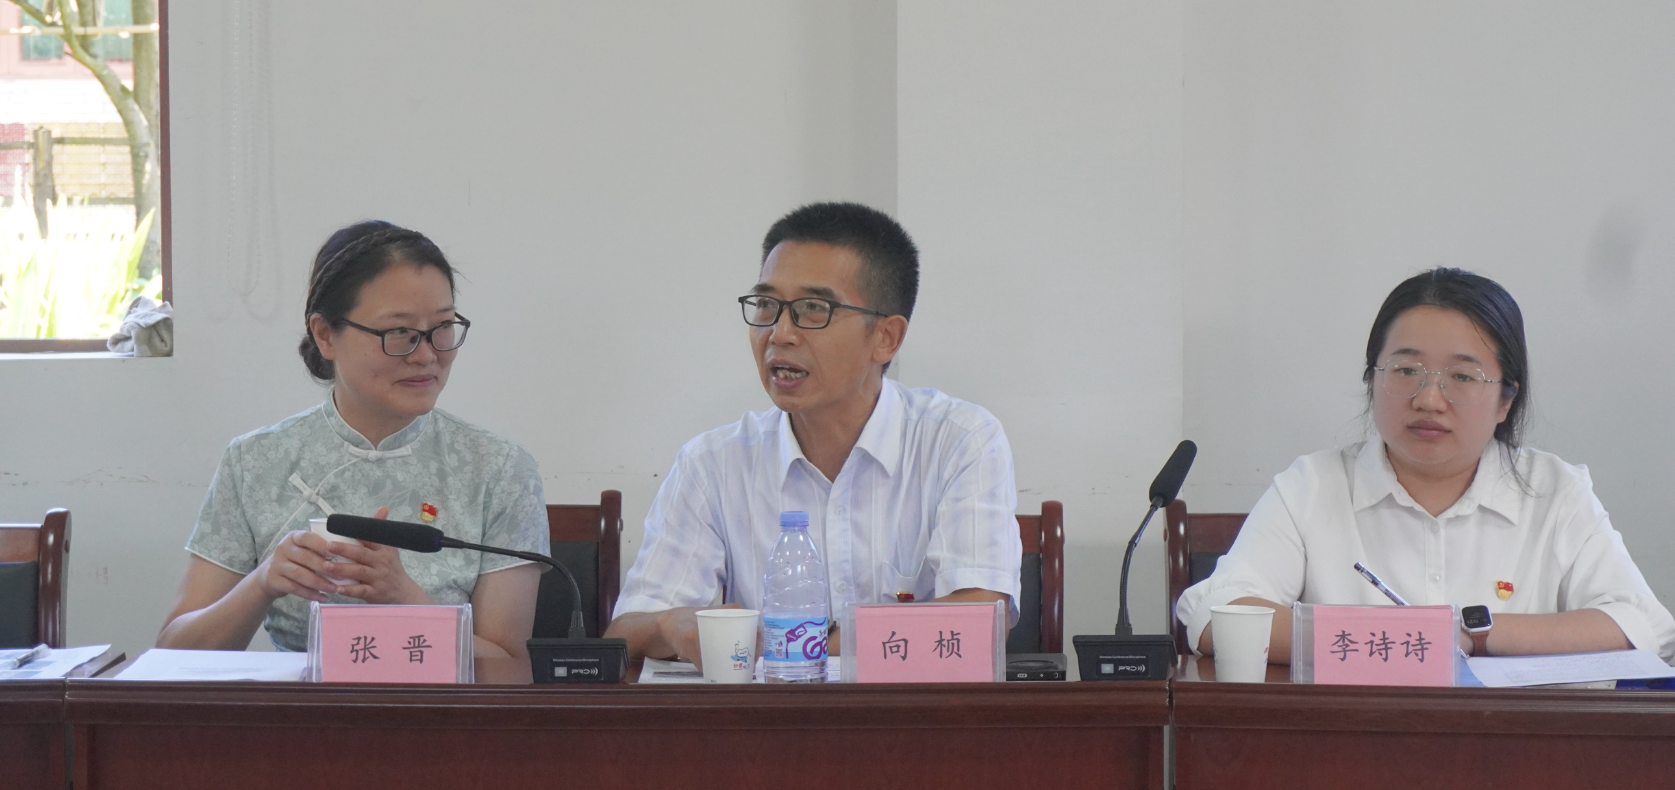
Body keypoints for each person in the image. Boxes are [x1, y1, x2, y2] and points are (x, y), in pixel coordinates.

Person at [1178, 268, 1675, 664]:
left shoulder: (1556, 492)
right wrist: (1415, 641)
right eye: (1406, 370)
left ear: (1505, 401)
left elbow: (1642, 624)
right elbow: (1215, 616)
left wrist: (1470, 634)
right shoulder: (1312, 487)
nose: (1429, 399)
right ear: (1372, 380)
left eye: (1462, 376)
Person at [606, 202, 1022, 666]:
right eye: (767, 305)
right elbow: (626, 635)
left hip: (910, 713)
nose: (779, 333)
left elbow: (980, 621)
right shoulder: (712, 463)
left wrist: (787, 645)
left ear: (886, 337)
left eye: (812, 309)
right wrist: (668, 625)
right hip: (766, 714)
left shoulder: (959, 440)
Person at [158, 221, 549, 658]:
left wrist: (405, 598)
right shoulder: (256, 461)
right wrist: (262, 582)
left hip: (439, 704)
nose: (426, 355)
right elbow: (174, 654)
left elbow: (510, 669)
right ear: (325, 335)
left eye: (442, 326)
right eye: (398, 332)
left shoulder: (499, 470)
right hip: (299, 702)